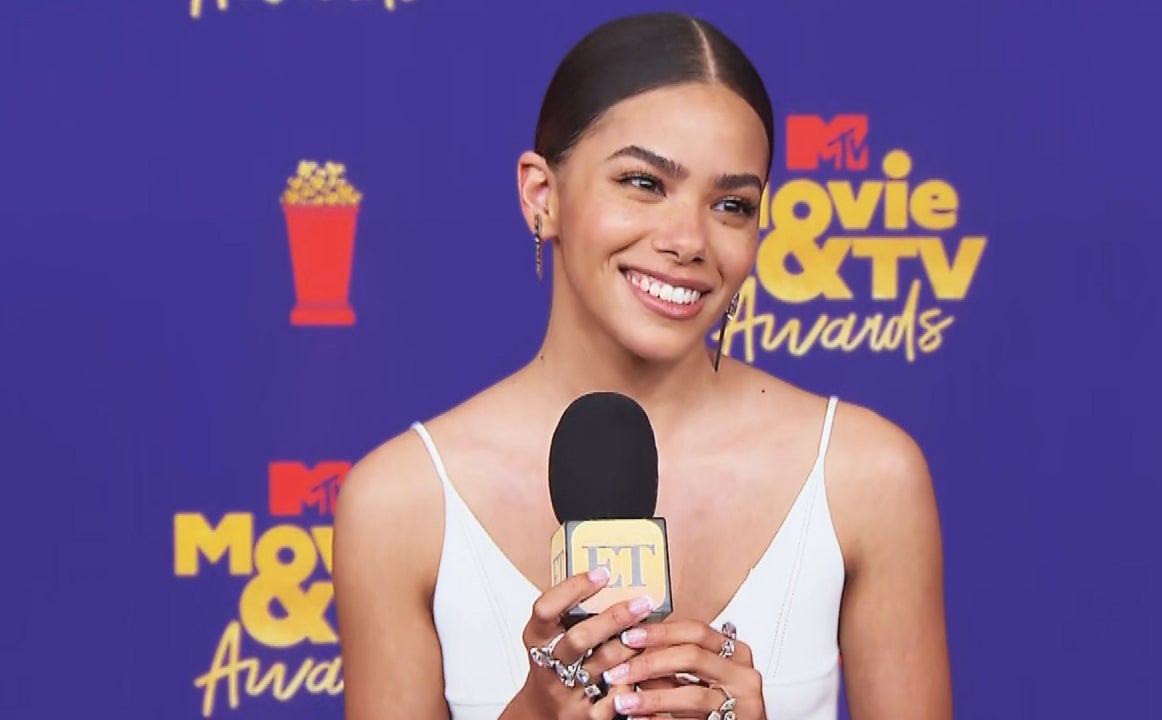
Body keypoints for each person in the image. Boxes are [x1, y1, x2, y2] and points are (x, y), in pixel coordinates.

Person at [333, 11, 952, 720]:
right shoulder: (400, 504)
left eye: (731, 204)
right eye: (644, 183)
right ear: (542, 196)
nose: (689, 240)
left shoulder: (867, 477)